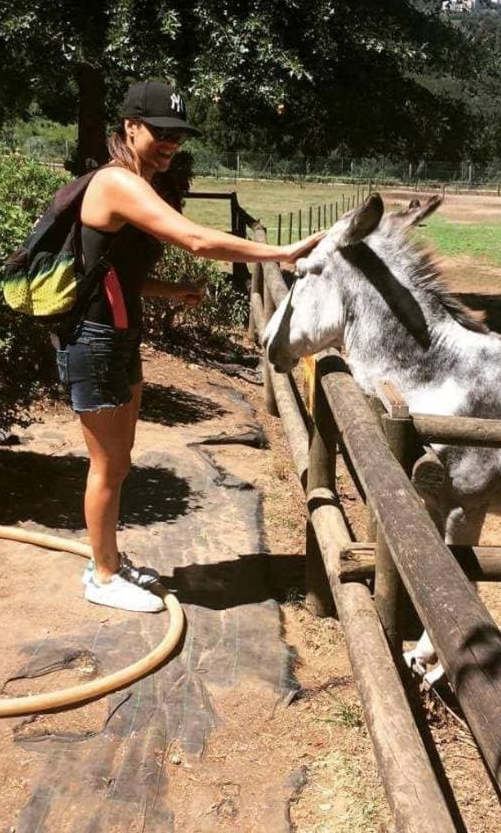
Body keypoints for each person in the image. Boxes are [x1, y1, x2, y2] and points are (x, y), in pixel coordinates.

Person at [57, 80, 323, 613]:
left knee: (121, 460)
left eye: (177, 135)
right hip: (95, 341)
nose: (170, 143)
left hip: (118, 337)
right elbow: (197, 240)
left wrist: (168, 291)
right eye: (160, 132)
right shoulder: (116, 182)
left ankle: (107, 559)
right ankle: (103, 576)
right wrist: (283, 251)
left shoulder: (135, 181)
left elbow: (109, 273)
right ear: (130, 126)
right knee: (107, 466)